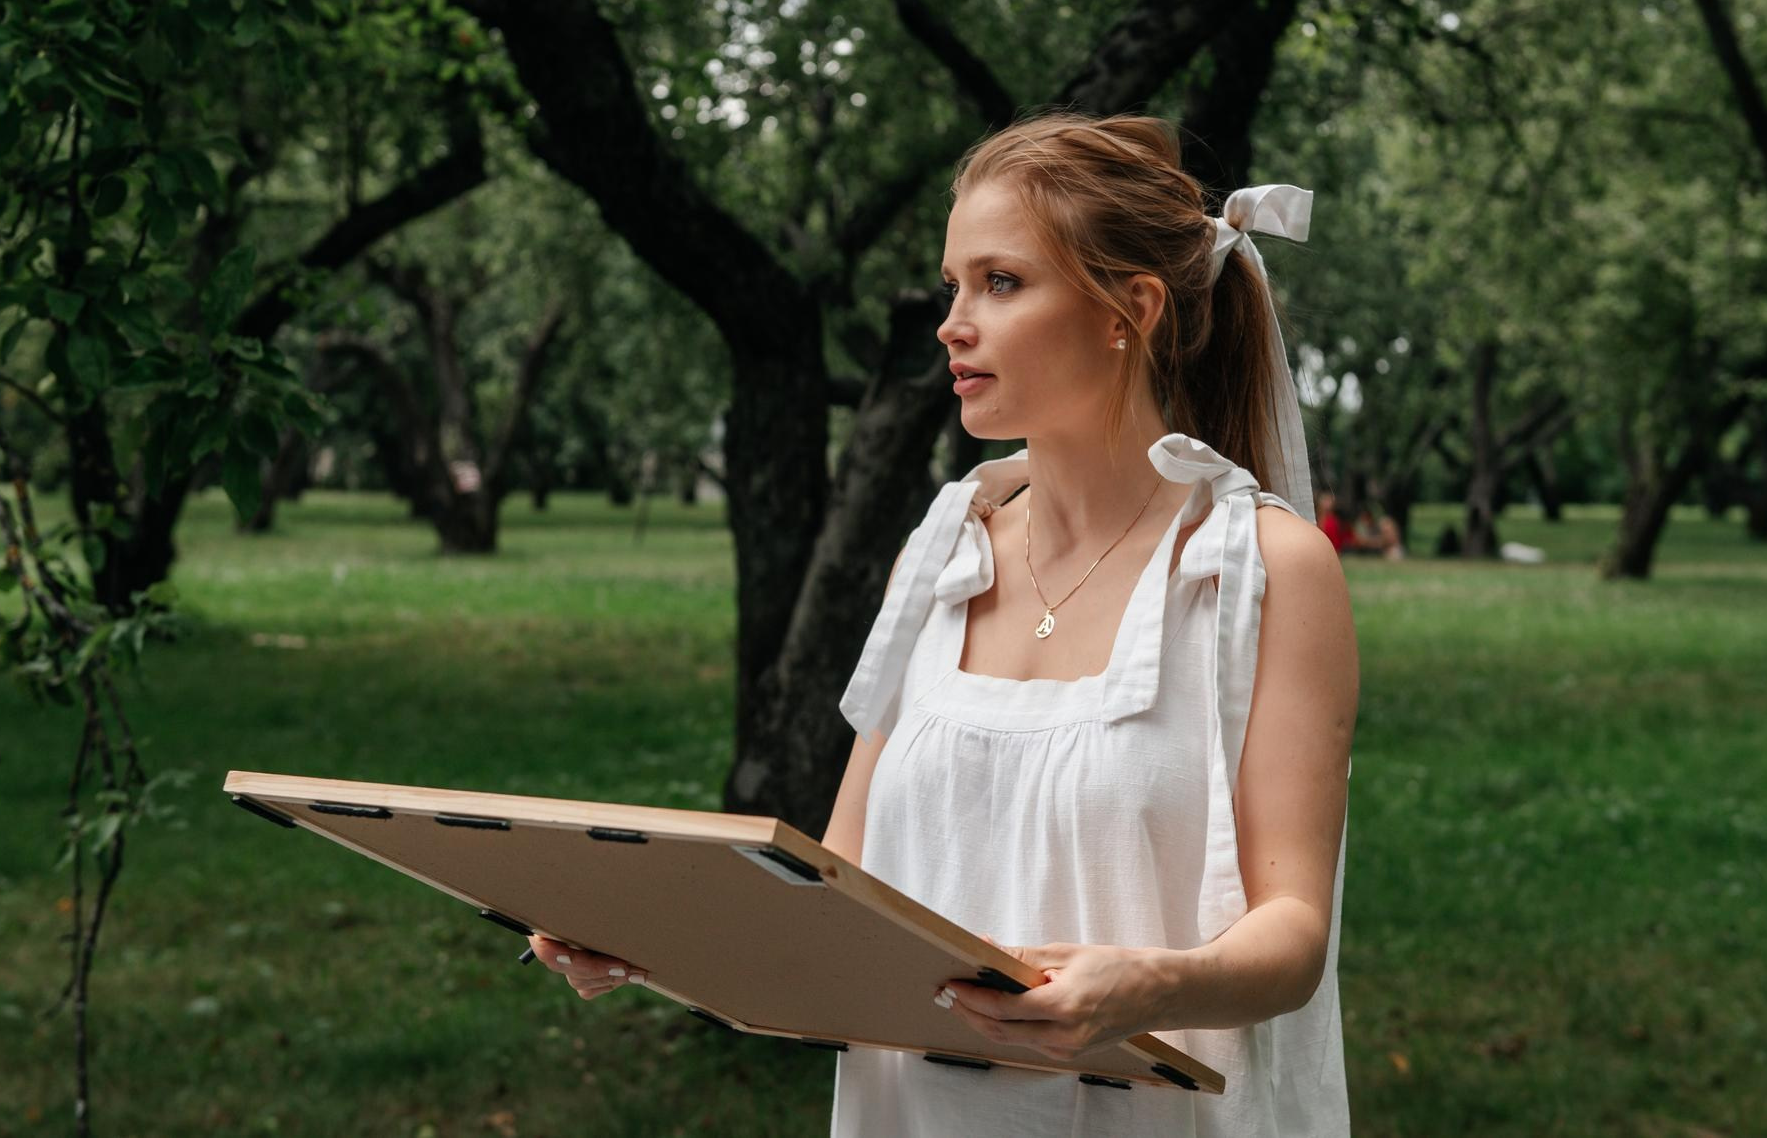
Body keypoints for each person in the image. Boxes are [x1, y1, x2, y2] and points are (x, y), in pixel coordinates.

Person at [529, 111, 1358, 1137]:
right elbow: (835, 895)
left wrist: (1146, 982)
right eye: (951, 284)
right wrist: (651, 930)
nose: (951, 322)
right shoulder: (943, 551)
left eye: (999, 283)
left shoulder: (1261, 567)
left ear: (1126, 310)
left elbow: (1291, 932)